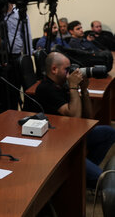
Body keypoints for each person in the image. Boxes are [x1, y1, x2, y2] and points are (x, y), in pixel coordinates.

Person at [35, 52, 115, 188]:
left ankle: (83, 172)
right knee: (102, 179)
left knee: (108, 132)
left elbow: (88, 117)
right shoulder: (45, 89)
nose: (70, 73)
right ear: (54, 69)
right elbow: (74, 118)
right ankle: (85, 174)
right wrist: (73, 87)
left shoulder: (62, 85)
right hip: (56, 144)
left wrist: (84, 91)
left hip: (71, 135)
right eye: (67, 69)